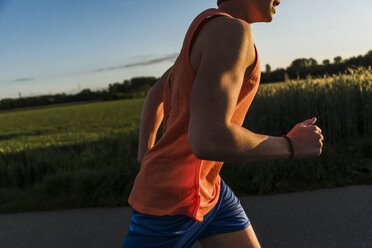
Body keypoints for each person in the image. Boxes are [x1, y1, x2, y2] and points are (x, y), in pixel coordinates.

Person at [122, 0, 324, 247]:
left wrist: (145, 155)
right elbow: (209, 139)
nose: (280, 0)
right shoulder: (231, 31)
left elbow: (155, 93)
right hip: (171, 201)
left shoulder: (207, 28)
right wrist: (290, 145)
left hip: (211, 190)